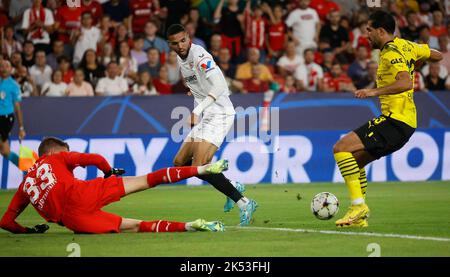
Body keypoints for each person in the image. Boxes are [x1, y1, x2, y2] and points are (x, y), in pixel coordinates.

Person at [332, 11, 443, 228]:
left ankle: (358, 206)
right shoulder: (407, 45)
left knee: (341, 147)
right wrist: (414, 63)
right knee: (355, 162)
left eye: (369, 30)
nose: (366, 35)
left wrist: (372, 92)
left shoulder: (390, 53)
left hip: (395, 120)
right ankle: (359, 216)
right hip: (406, 123)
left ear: (381, 31)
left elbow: (405, 83)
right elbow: (437, 55)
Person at [0, 137, 227, 234]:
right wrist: (108, 173)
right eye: (65, 152)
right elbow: (96, 158)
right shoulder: (55, 158)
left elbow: (6, 222)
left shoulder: (24, 187)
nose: (67, 156)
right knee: (147, 180)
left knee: (137, 226)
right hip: (81, 194)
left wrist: (29, 231)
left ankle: (190, 226)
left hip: (73, 221)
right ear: (51, 152)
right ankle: (201, 169)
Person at [166, 24, 257, 226]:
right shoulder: (182, 62)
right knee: (180, 163)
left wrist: (196, 111)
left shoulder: (200, 56)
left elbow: (221, 85)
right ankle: (233, 185)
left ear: (189, 38)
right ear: (170, 45)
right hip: (206, 113)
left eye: (183, 40)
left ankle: (244, 202)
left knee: (199, 165)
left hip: (220, 113)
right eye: (175, 43)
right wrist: (196, 97)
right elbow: (199, 88)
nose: (180, 46)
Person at [0, 60, 26, 170]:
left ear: (11, 69)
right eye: (1, 66)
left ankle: (26, 169)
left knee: (5, 150)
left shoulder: (14, 85)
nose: (4, 68)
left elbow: (17, 107)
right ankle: (26, 169)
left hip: (6, 119)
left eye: (7, 66)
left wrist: (21, 127)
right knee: (5, 151)